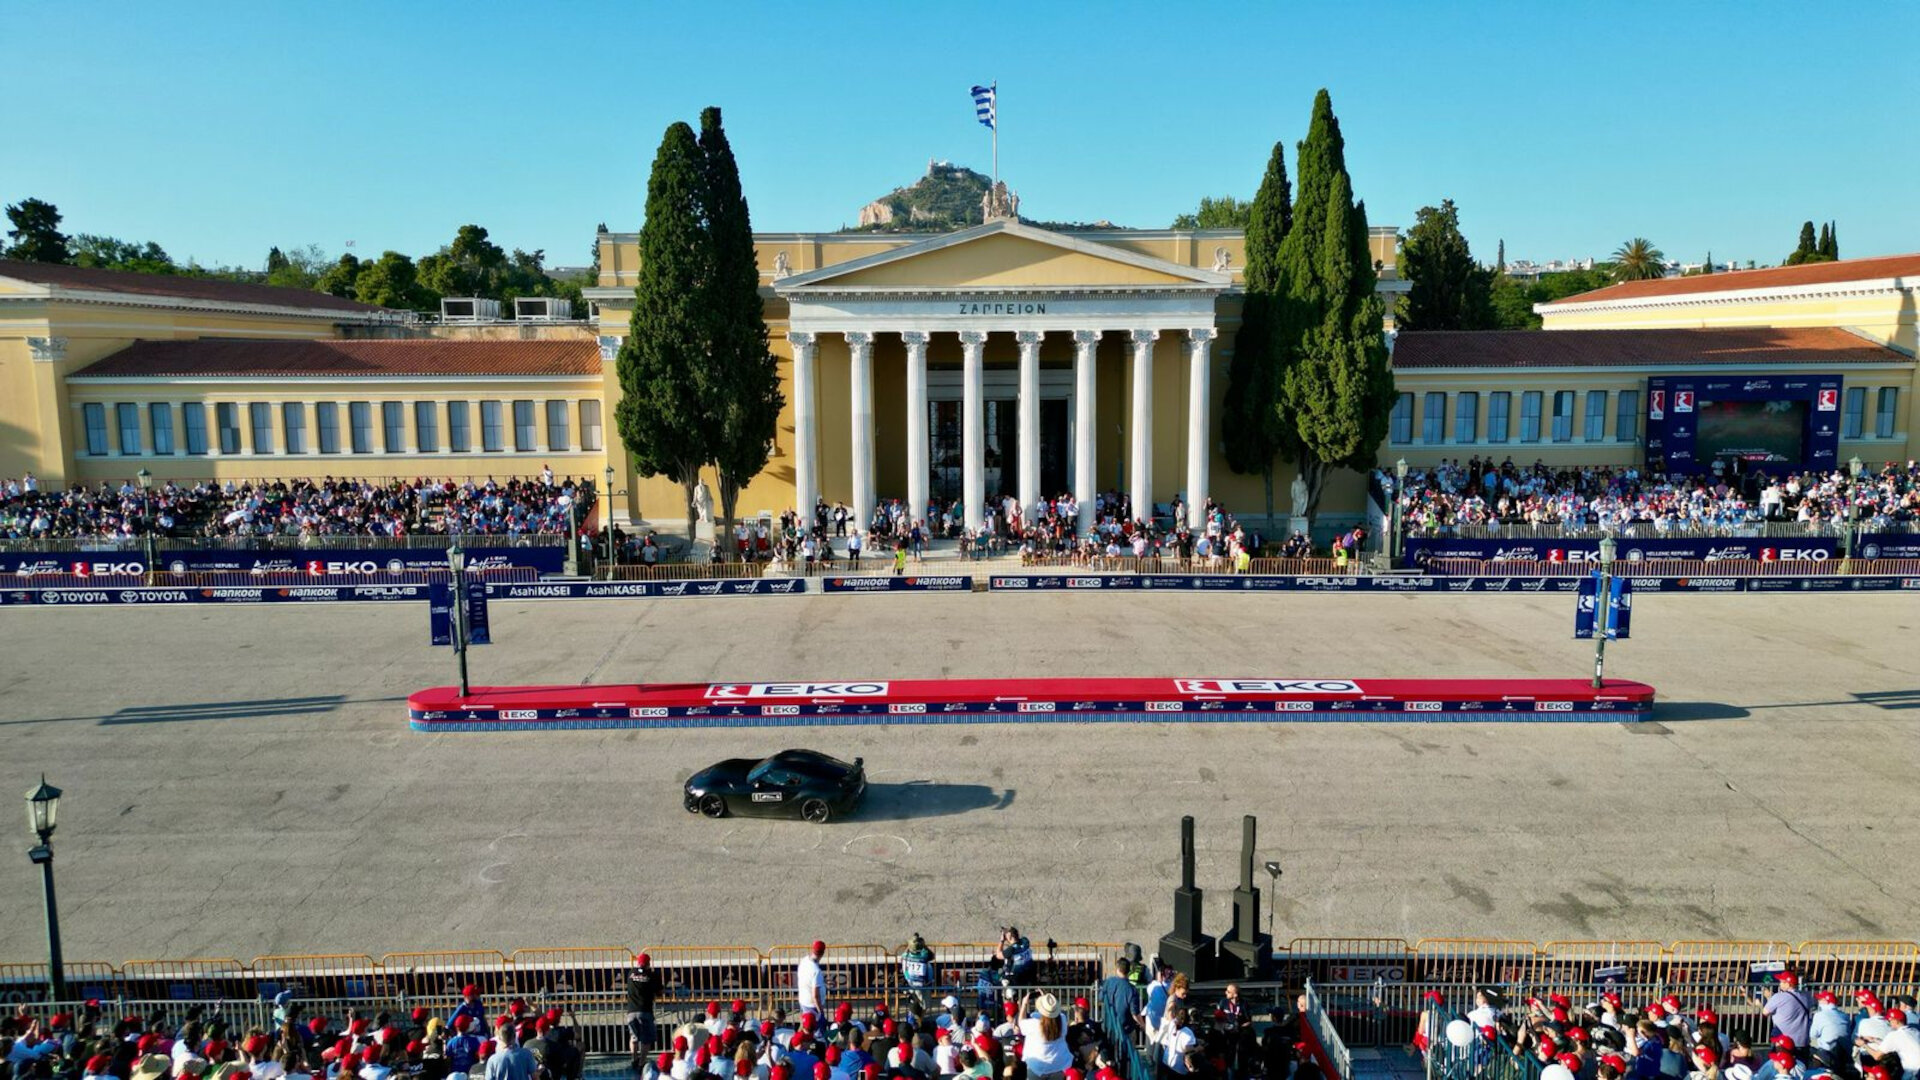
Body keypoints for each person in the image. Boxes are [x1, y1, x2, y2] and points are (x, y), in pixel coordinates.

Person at [1018, 993, 1072, 1080]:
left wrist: (1024, 1004)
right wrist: (1048, 1002)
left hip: (1037, 1067)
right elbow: (1052, 1016)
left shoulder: (1034, 1024)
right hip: (1059, 1065)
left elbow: (1021, 1023)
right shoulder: (1062, 1019)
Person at [1759, 975, 1815, 1051]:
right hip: (1802, 1041)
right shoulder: (1806, 996)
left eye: (1782, 982)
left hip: (1783, 1041)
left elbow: (1765, 1012)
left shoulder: (1778, 997)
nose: (1779, 984)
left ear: (1788, 984)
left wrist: (1766, 999)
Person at [901, 936, 937, 1012]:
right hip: (924, 985)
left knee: (914, 1004)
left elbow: (904, 956)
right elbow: (932, 956)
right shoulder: (924, 956)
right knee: (924, 1005)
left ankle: (916, 1015)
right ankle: (921, 1016)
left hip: (911, 983)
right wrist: (924, 945)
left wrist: (909, 946)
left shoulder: (905, 956)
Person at [797, 941, 828, 1020]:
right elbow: (815, 996)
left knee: (806, 1025)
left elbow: (807, 978)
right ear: (822, 953)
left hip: (804, 1001)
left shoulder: (804, 960)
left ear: (812, 950)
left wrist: (822, 981)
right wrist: (821, 1011)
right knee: (816, 1027)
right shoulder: (816, 970)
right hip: (813, 1006)